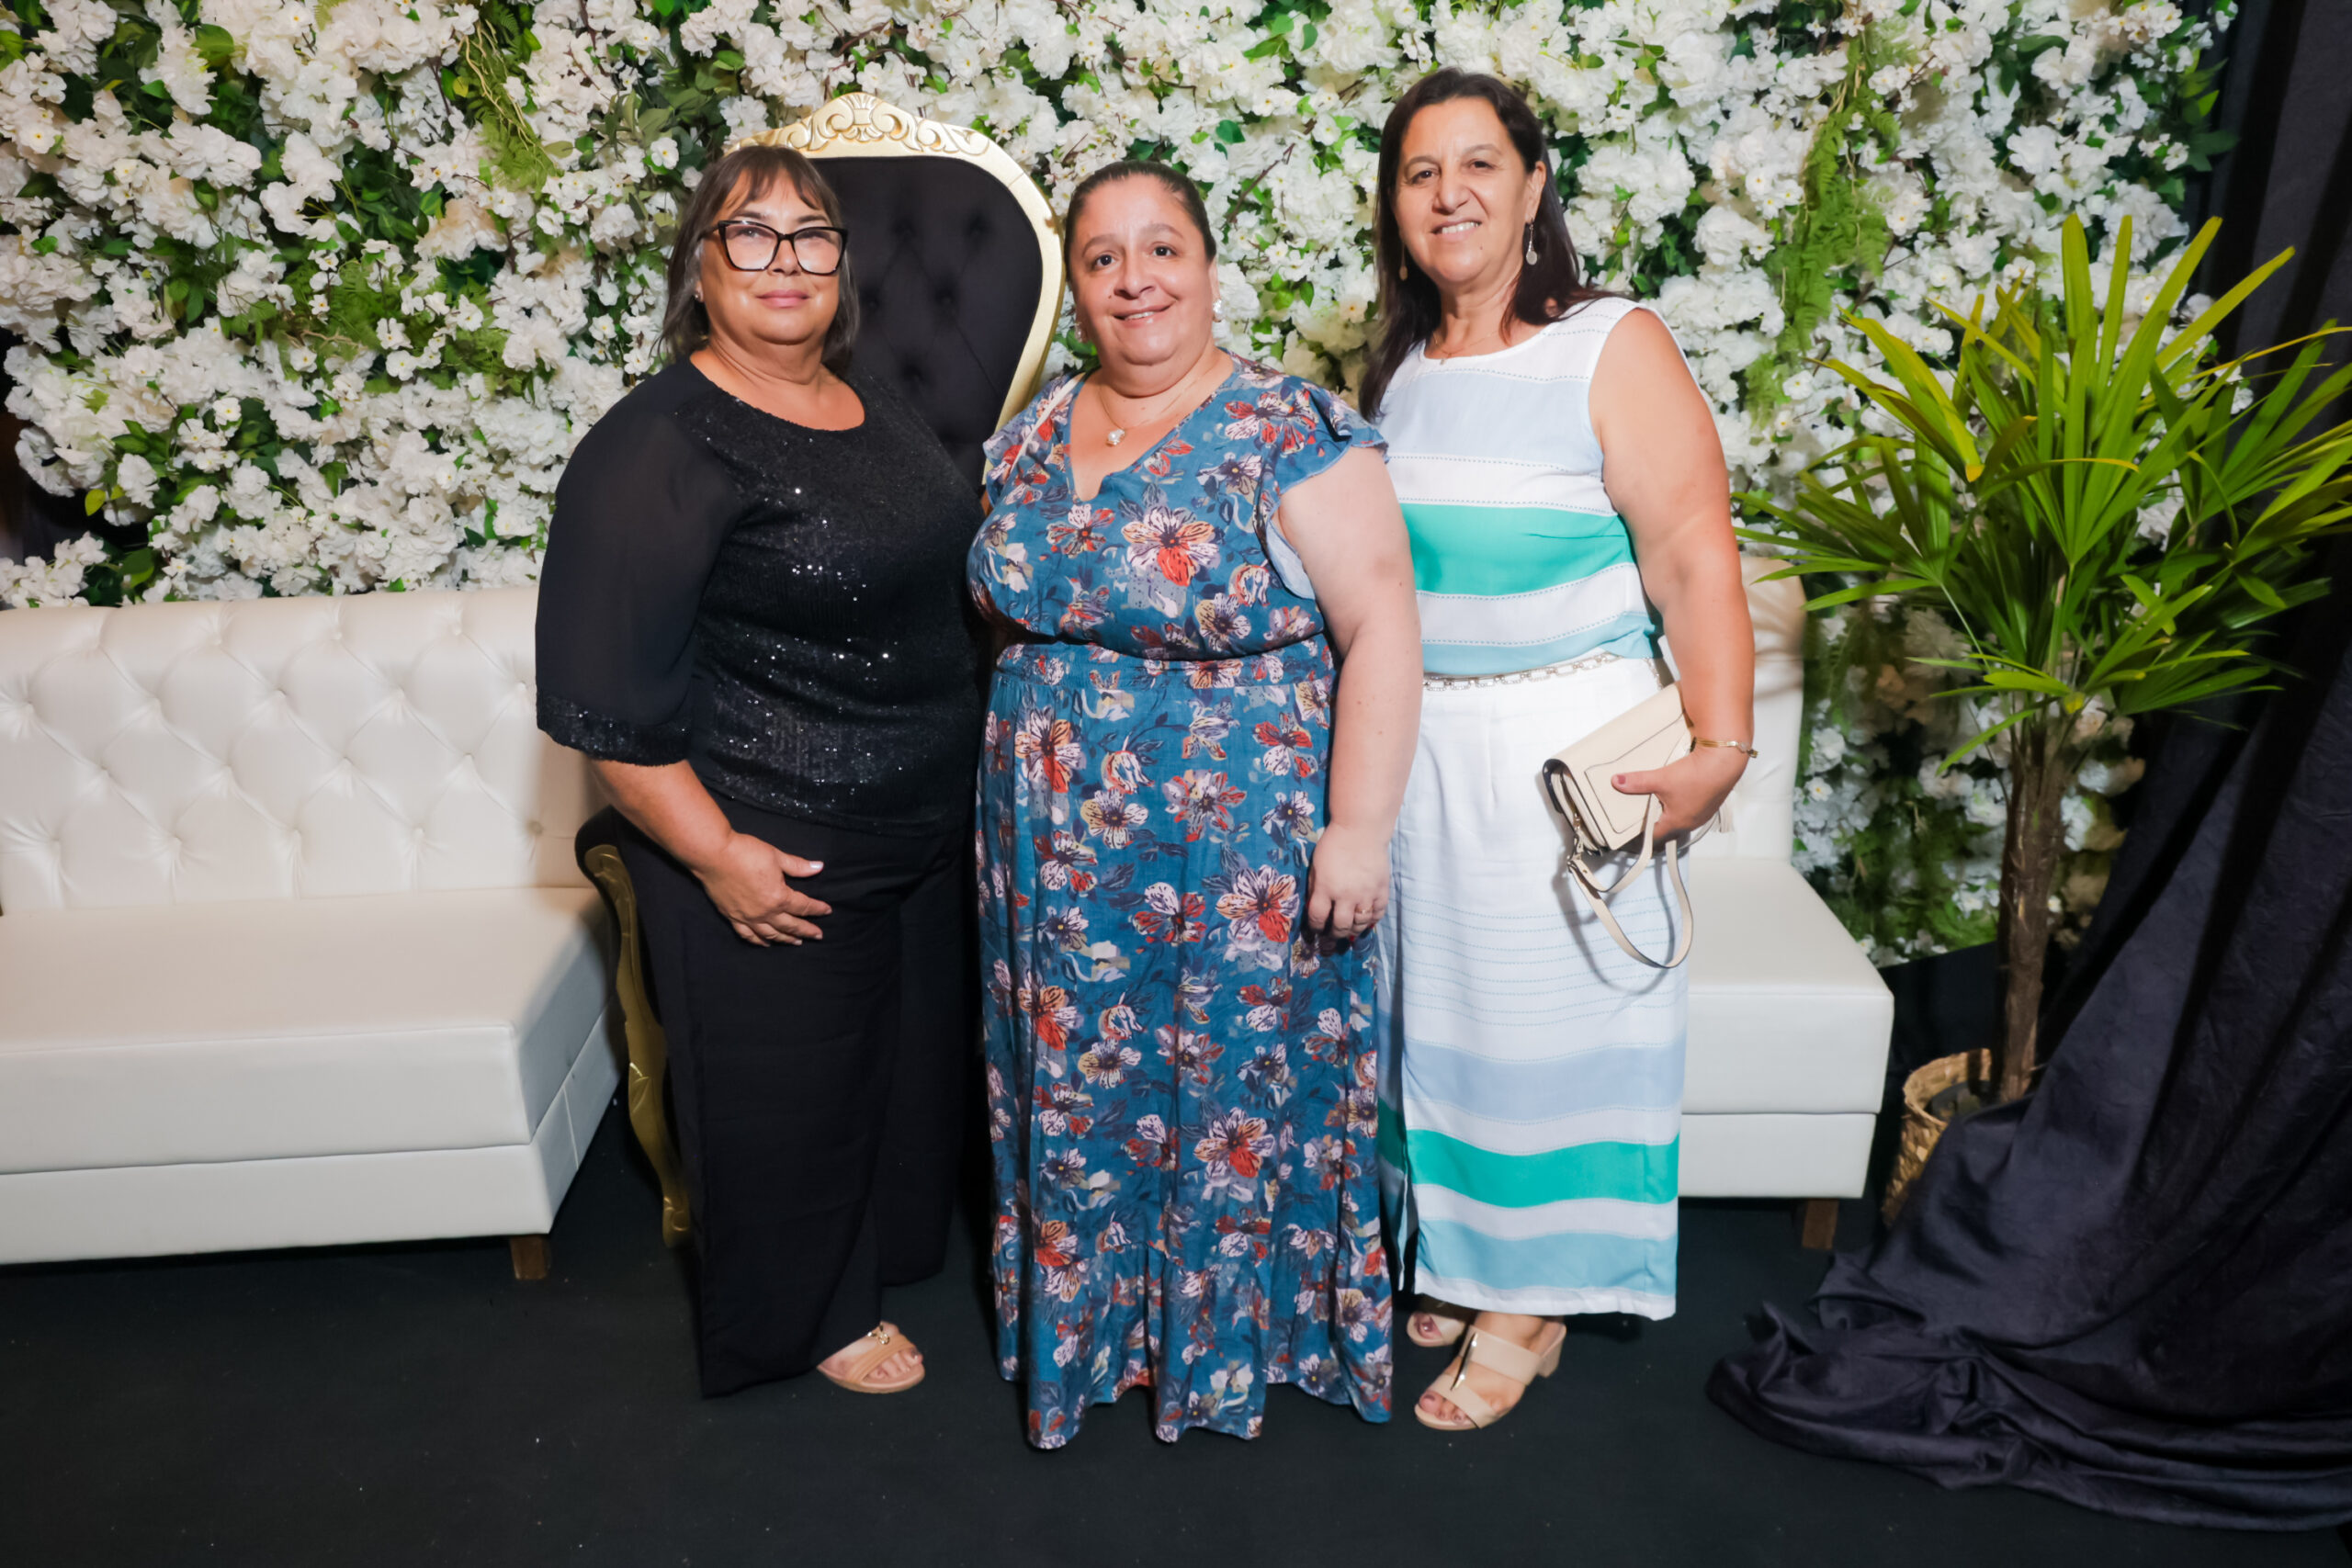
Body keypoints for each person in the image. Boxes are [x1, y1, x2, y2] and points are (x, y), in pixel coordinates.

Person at [969, 160, 1423, 1448]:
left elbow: (1384, 625)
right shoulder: (1032, 430)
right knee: (1079, 1086)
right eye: (1103, 258)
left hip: (1236, 849)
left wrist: (1359, 832)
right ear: (1079, 288)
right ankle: (1099, 1335)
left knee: (1229, 1088)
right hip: (1051, 856)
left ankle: (1230, 1345)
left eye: (1162, 248)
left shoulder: (1290, 429)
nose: (1136, 280)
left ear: (1212, 269)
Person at [535, 143, 981, 1399]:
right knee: (791, 1098)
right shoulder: (656, 444)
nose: (785, 260)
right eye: (750, 233)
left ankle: (882, 1260)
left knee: (898, 1079)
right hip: (775, 837)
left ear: (842, 265)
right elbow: (605, 709)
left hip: (919, 825)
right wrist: (718, 854)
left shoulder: (867, 400)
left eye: (811, 234)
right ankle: (809, 1317)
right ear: (700, 267)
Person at [1362, 69, 1756, 1431]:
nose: (1450, 194)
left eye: (1480, 164)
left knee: (1549, 1028)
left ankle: (1530, 1308)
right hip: (1423, 754)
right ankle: (1466, 1254)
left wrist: (1720, 744)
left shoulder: (1610, 342)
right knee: (1438, 1025)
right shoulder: (1404, 372)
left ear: (1534, 186)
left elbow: (1694, 552)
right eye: (1421, 172)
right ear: (1395, 206)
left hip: (1563, 747)